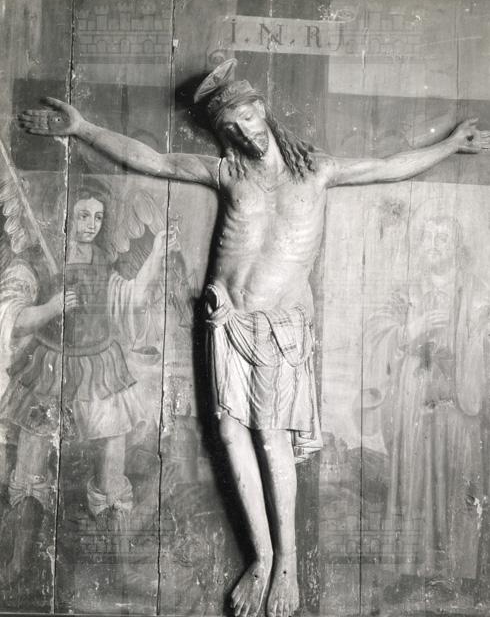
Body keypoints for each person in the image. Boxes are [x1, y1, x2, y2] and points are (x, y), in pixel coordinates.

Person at [18, 59, 490, 617]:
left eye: (246, 118)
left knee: (271, 440)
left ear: (260, 109)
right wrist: (82, 128)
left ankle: (286, 560)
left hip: (277, 328)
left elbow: (388, 167)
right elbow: (156, 160)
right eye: (231, 128)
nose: (243, 133)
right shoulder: (229, 174)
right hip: (226, 323)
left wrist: (449, 145)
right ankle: (261, 557)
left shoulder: (316, 171)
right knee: (229, 433)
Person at [0, 184, 166, 585]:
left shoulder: (104, 263)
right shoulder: (38, 260)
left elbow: (132, 300)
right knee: (31, 469)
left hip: (100, 368)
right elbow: (11, 317)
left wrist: (158, 252)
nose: (91, 225)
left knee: (112, 469)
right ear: (65, 214)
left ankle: (119, 568)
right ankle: (19, 563)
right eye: (82, 215)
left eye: (98, 217)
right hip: (47, 368)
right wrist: (50, 307)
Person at [365, 215, 489, 603]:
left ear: (458, 246)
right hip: (414, 405)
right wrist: (409, 330)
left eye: (443, 237)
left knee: (458, 484)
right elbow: (375, 333)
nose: (434, 244)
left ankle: (456, 575)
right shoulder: (406, 292)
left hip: (460, 407)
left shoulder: (477, 291)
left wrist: (477, 335)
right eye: (428, 237)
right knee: (411, 484)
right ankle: (408, 571)